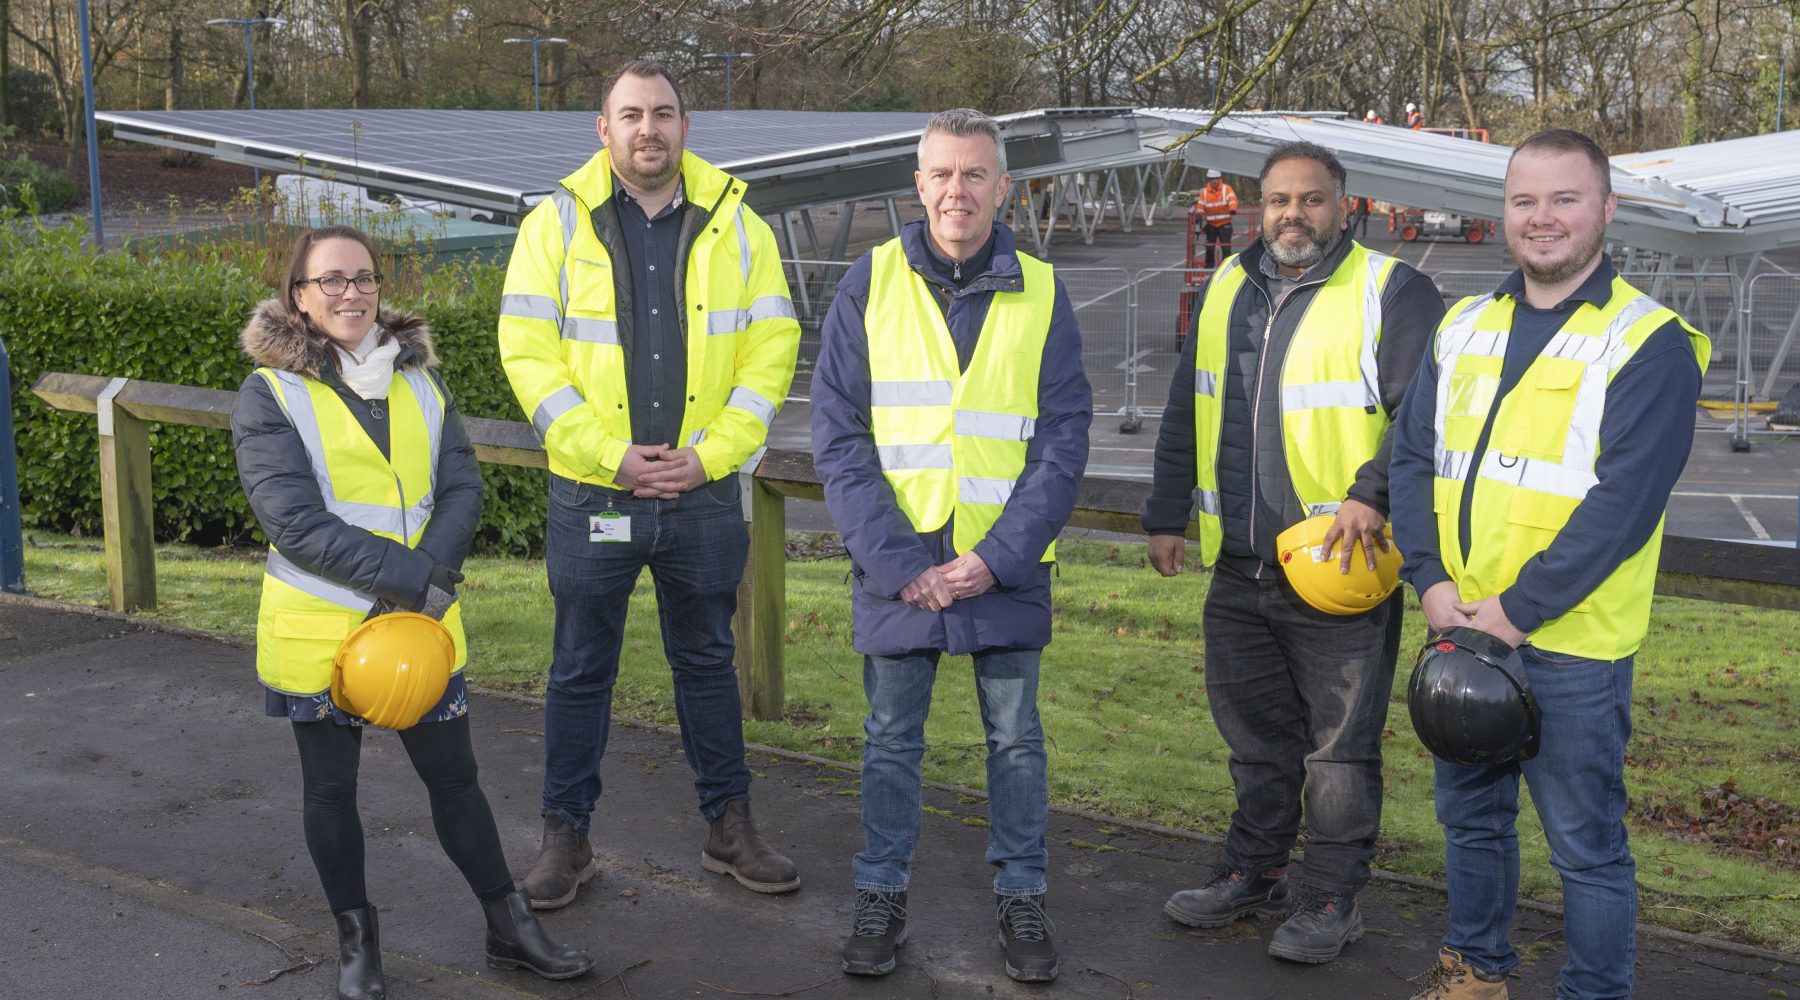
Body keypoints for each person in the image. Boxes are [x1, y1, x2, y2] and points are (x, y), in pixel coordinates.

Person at [233, 225, 593, 1000]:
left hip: (422, 629)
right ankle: (356, 943)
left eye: (363, 278)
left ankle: (510, 927)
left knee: (457, 781)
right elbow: (292, 521)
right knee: (330, 793)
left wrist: (430, 578)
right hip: (323, 630)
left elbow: (461, 484)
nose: (351, 293)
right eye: (331, 279)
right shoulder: (271, 395)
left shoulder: (421, 382)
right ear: (298, 295)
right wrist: (414, 581)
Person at [1390, 129, 1709, 1000]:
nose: (1543, 218)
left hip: (1569, 649)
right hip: (1460, 625)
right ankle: (1476, 972)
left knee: (1586, 847)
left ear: (1607, 209)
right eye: (1525, 200)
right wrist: (1430, 580)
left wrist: (1518, 610)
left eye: (1566, 198)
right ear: (1504, 212)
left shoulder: (1649, 343)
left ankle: (1594, 992)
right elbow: (1411, 459)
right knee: (1471, 824)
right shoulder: (1465, 325)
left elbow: (1622, 505)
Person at [497, 59, 803, 909]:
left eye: (663, 113)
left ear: (685, 126)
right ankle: (566, 836)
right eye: (630, 114)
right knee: (579, 664)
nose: (648, 129)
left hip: (701, 494)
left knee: (707, 659)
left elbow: (771, 352)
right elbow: (528, 355)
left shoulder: (740, 225)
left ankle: (729, 827)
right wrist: (608, 454)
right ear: (603, 128)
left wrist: (714, 454)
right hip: (595, 493)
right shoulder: (553, 223)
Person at [1142, 141, 1444, 965]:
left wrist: (1371, 493)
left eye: (1311, 200)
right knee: (1254, 739)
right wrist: (1166, 514)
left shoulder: (1393, 291)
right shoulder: (1226, 289)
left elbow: (1424, 417)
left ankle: (1332, 896)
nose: (1292, 215)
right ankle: (1257, 870)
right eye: (1278, 200)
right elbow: (1187, 405)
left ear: (1344, 207)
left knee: (1337, 753)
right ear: (1255, 206)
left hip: (1340, 567)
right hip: (1239, 567)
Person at [812, 107, 1092, 984]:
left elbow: (1063, 438)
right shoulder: (870, 280)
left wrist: (995, 560)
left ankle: (1022, 894)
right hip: (899, 571)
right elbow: (839, 435)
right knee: (890, 739)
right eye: (941, 174)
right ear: (919, 184)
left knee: (1014, 742)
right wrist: (905, 568)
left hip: (999, 568)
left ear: (1004, 187)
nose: (957, 190)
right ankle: (882, 893)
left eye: (975, 175)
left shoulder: (1043, 290)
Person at [1196, 168, 1239, 269]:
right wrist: (1199, 214)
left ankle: (1227, 268)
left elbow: (1232, 199)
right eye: (1212, 179)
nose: (1214, 181)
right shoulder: (1204, 192)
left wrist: (1233, 209)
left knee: (1226, 248)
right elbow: (1200, 205)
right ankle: (1208, 268)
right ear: (1209, 180)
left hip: (1225, 223)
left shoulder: (1226, 189)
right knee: (1209, 247)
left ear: (1219, 179)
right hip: (1211, 225)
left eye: (1216, 178)